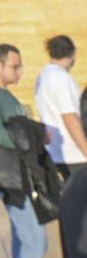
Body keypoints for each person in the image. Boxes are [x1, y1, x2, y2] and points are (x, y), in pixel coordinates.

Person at [0, 44, 47, 258]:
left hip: (20, 173)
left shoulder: (5, 93)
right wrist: (37, 135)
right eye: (15, 67)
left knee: (23, 234)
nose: (19, 73)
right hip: (8, 176)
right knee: (36, 241)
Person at [35, 35, 87, 180]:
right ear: (73, 54)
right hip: (74, 155)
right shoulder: (62, 78)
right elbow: (70, 117)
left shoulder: (43, 76)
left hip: (55, 153)